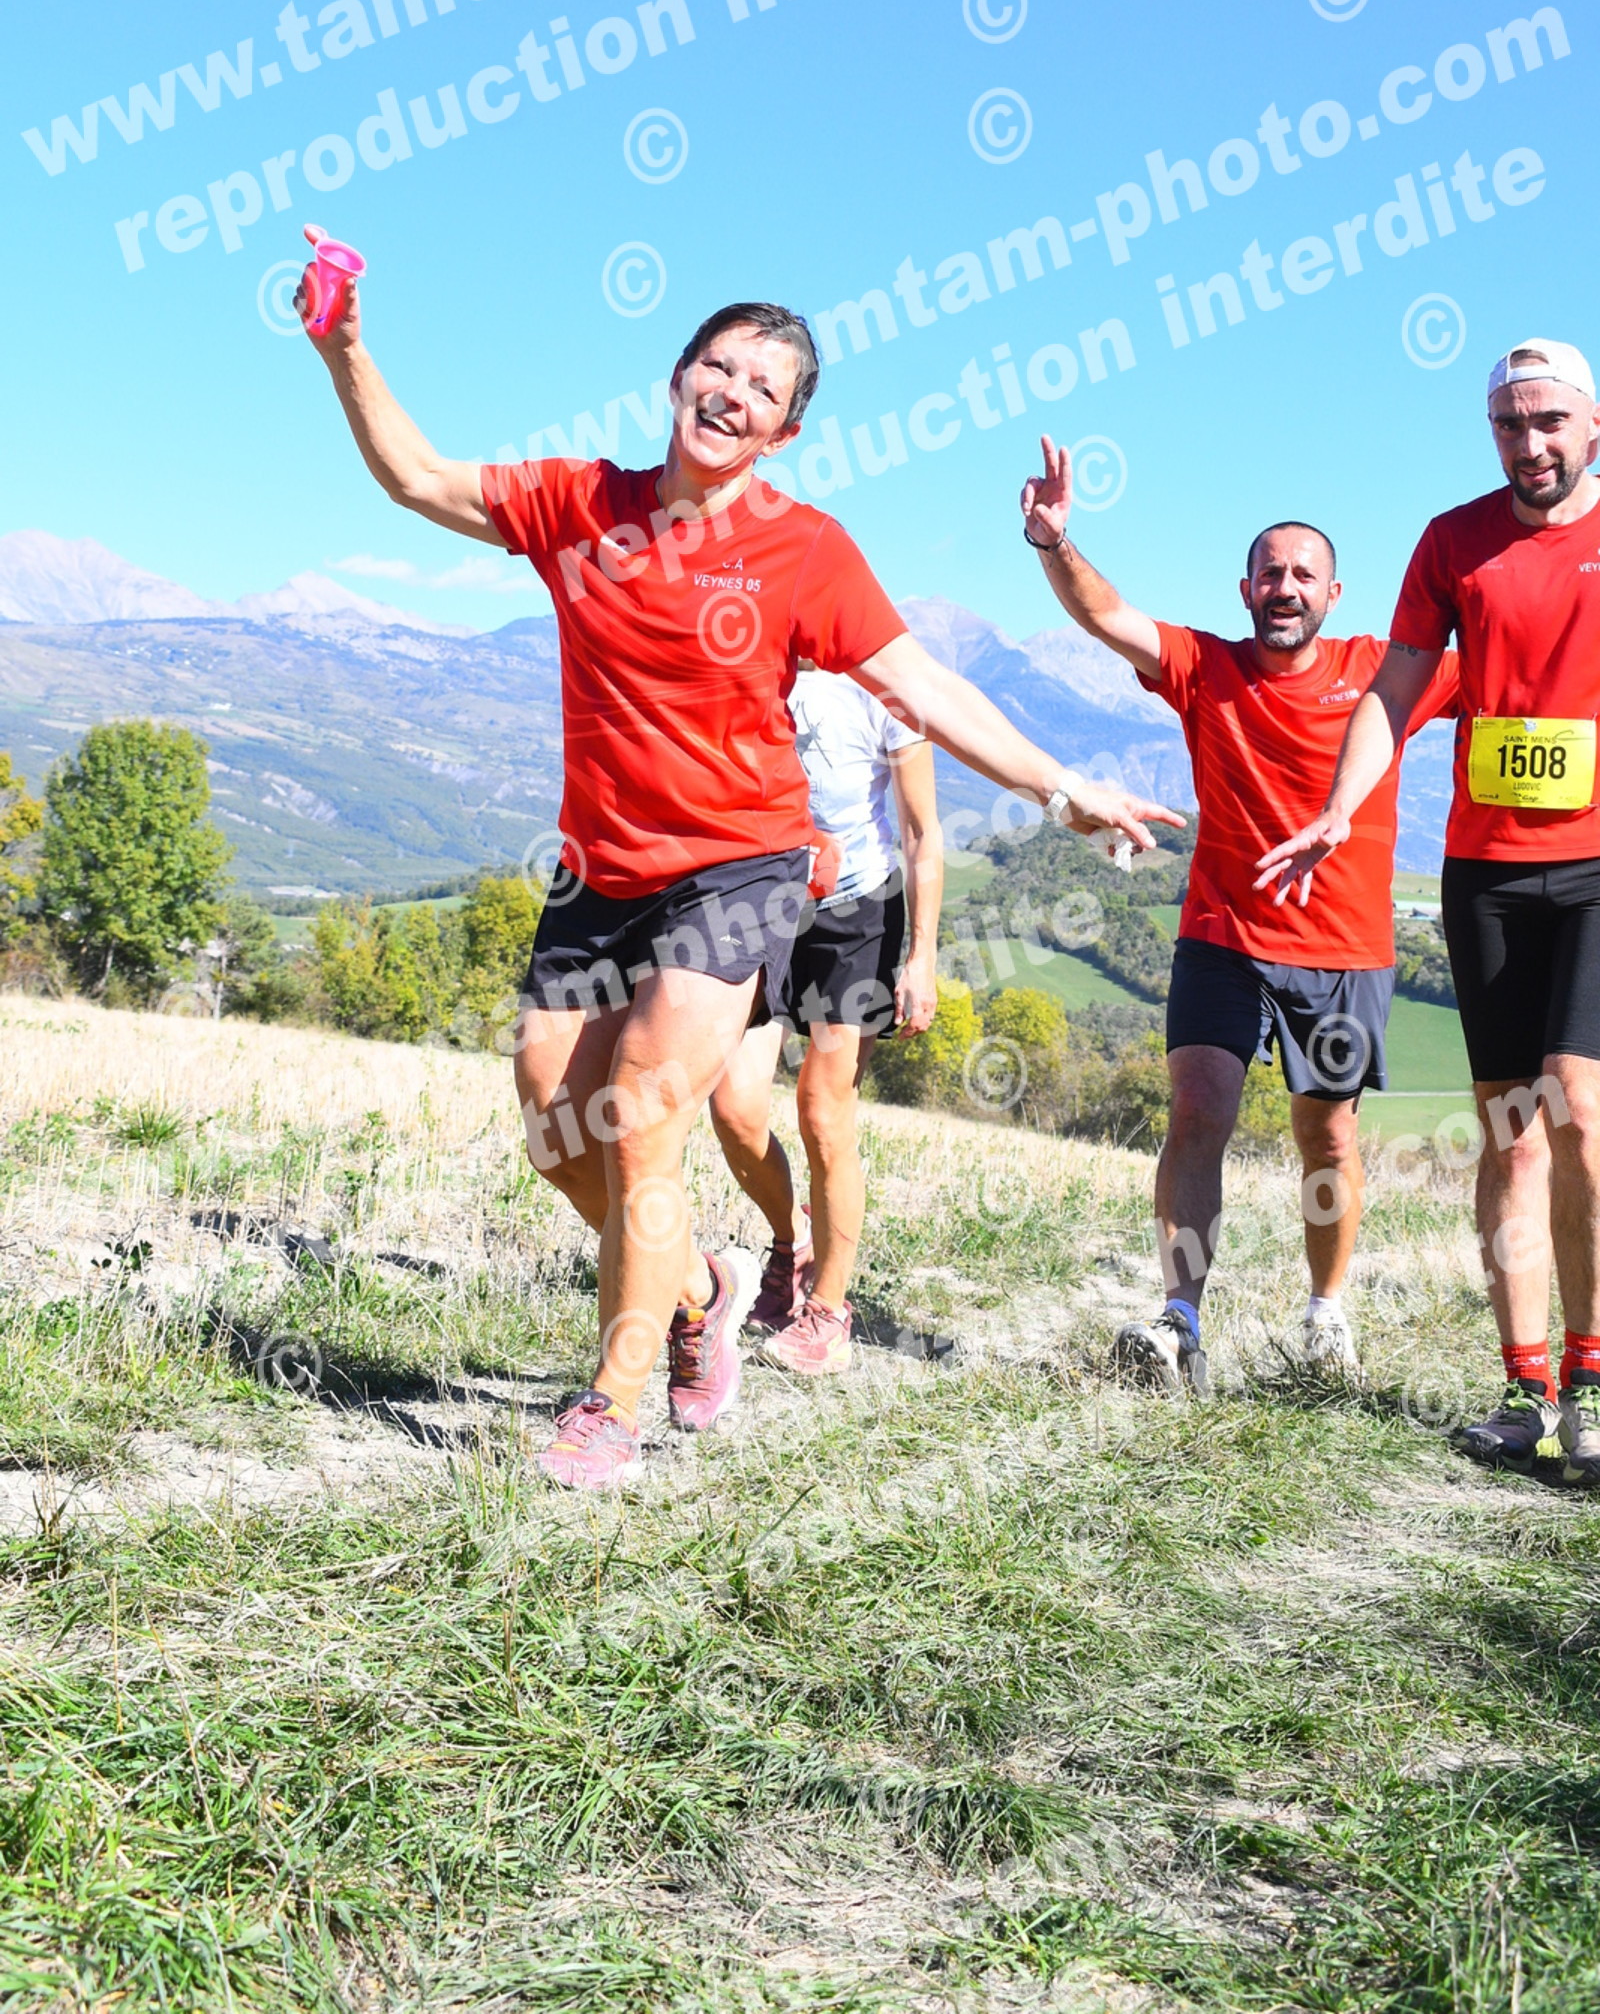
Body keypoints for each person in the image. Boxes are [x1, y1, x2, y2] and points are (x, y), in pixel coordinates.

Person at [298, 238, 1181, 1489]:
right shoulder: (580, 503)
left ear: (786, 430)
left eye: (762, 388)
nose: (731, 393)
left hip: (739, 866)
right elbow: (416, 477)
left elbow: (922, 685)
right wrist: (343, 345)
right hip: (601, 868)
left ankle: (610, 1403)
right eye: (717, 366)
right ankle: (697, 1287)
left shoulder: (803, 547)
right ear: (677, 376)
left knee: (645, 1106)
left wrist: (1060, 786)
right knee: (555, 1122)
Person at [1021, 437, 1457, 1391]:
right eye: (1270, 573)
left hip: (1346, 948)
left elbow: (1517, 668)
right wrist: (1054, 542)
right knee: (1198, 1109)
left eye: (1303, 574)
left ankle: (1326, 1312)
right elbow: (1106, 615)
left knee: (1327, 1137)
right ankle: (1178, 1319)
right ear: (1245, 588)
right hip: (1223, 937)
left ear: (1332, 593)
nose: (1285, 587)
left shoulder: (1385, 669)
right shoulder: (1204, 666)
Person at [1259, 339, 1600, 1483]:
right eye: (1508, 423)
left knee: (1580, 1110)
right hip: (1485, 865)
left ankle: (1593, 1380)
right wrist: (1336, 806)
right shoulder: (1453, 540)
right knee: (1510, 1129)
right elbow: (1395, 685)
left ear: (1591, 424)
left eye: (1548, 420)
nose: (1529, 443)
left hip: (1595, 864)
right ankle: (1524, 1387)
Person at [708, 662, 943, 1373]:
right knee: (734, 1107)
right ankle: (792, 1245)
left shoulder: (887, 682)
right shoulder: (752, 663)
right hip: (765, 903)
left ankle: (829, 1312)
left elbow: (921, 832)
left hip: (858, 914)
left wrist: (922, 955)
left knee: (821, 1107)